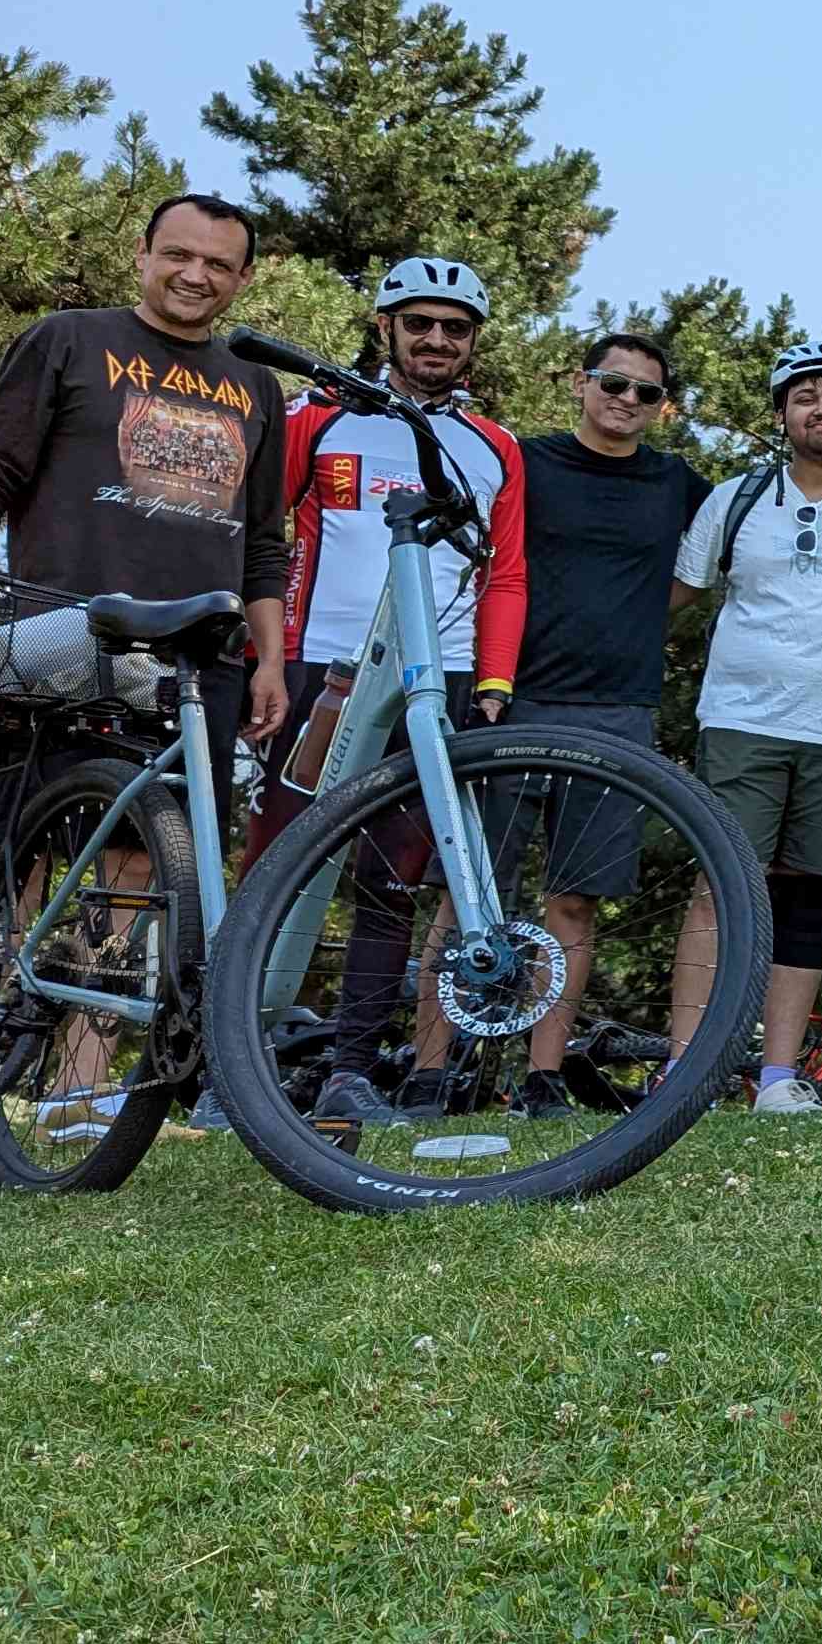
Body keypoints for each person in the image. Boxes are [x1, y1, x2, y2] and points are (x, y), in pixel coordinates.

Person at [0, 194, 292, 1174]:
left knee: (136, 867)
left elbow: (263, 543)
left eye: (219, 264)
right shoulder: (69, 341)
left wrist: (270, 658)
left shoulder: (255, 383)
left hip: (201, 656)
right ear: (143, 254)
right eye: (178, 255)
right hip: (65, 630)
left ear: (243, 278)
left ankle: (80, 1089)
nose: (195, 275)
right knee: (11, 857)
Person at [267, 256, 534, 1129]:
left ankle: (349, 1073)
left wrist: (491, 681)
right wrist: (264, 657)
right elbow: (263, 537)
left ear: (474, 343)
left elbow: (506, 574)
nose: (436, 340)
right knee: (279, 865)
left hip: (437, 676)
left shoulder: (494, 446)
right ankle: (235, 1064)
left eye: (455, 328)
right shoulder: (321, 417)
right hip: (322, 663)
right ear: (385, 327)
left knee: (390, 883)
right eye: (419, 322)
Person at [673, 336, 822, 1112]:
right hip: (742, 721)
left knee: (805, 901)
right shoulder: (735, 499)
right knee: (719, 888)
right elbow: (674, 595)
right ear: (781, 413)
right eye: (805, 396)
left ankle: (777, 1078)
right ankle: (686, 1072)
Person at [494, 328, 708, 1119]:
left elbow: (719, 559)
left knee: (575, 900)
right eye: (612, 383)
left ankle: (542, 1078)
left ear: (662, 408)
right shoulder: (524, 461)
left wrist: (643, 614)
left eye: (645, 392)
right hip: (512, 697)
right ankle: (429, 1072)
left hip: (619, 710)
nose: (626, 400)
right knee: (469, 890)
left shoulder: (678, 483)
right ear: (581, 385)